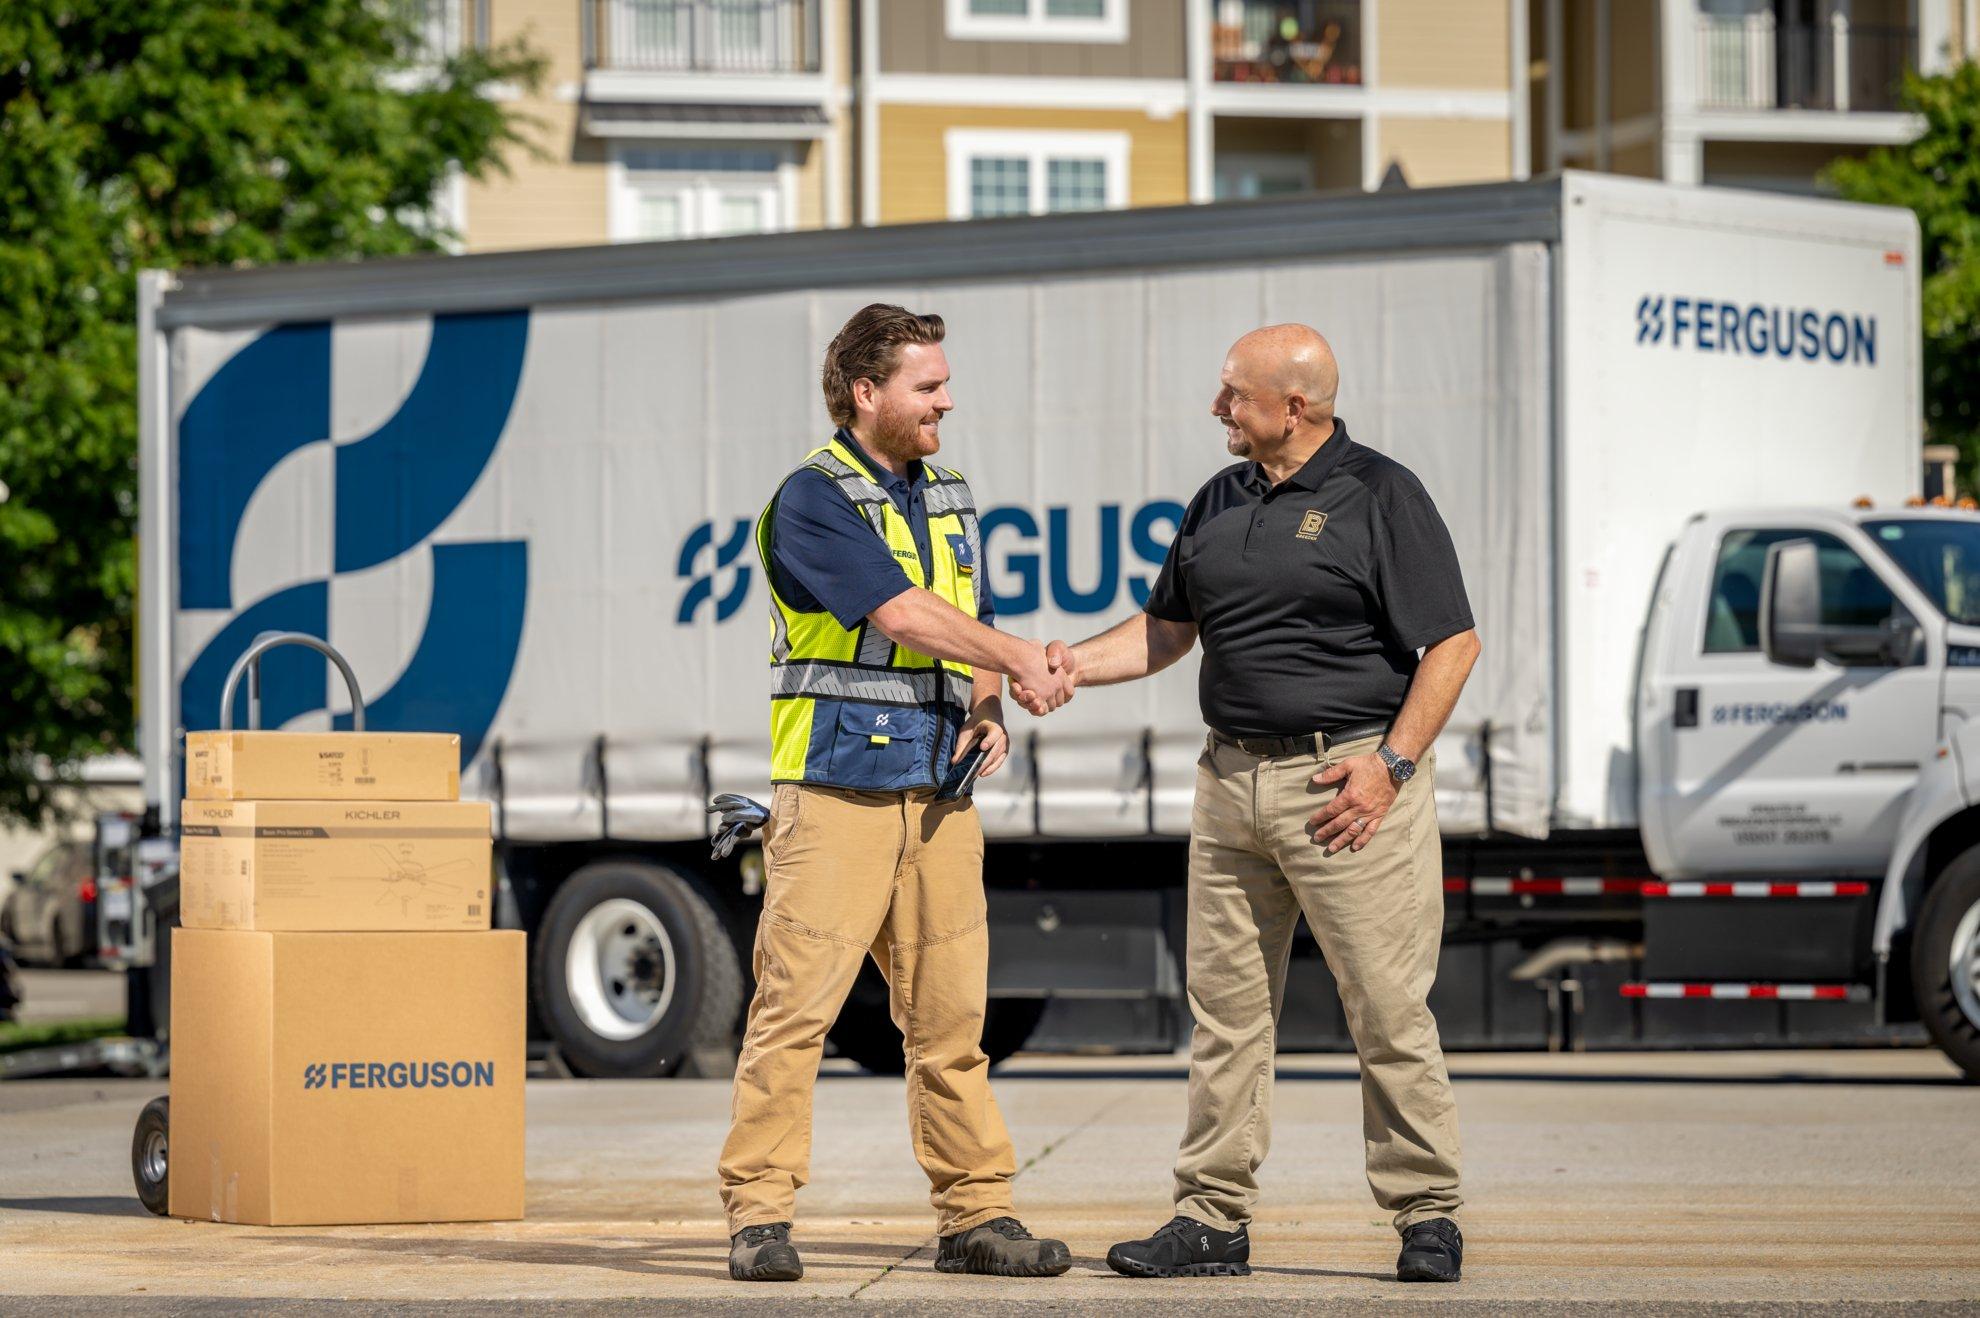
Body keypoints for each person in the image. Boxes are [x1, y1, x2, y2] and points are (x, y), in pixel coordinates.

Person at [1022, 323, 1480, 1284]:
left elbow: (1452, 645)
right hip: (1231, 785)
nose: (1217, 408)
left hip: (1346, 785)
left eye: (1234, 394)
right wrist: (1067, 665)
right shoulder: (1218, 500)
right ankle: (1211, 1219)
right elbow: (1164, 631)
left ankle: (1425, 1213)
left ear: (1295, 408)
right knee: (1226, 1015)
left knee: (1387, 1009)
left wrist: (1388, 769)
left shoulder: (1380, 495)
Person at [718, 303, 1075, 1283]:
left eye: (945, 383)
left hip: (939, 796)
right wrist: (1022, 660)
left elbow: (974, 611)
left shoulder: (948, 490)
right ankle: (758, 1213)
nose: (946, 402)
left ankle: (977, 1214)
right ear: (865, 392)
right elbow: (905, 613)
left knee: (953, 1021)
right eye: (929, 386)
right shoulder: (813, 498)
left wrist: (995, 703)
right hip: (838, 793)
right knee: (795, 1012)